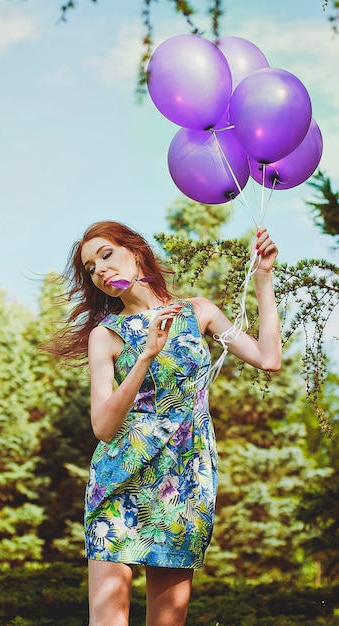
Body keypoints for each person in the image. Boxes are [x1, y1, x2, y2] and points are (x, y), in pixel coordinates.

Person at [51, 220, 281, 626]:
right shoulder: (106, 335)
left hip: (185, 478)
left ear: (135, 252)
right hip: (121, 477)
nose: (100, 270)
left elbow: (268, 359)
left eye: (106, 255)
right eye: (90, 268)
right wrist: (145, 357)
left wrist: (263, 279)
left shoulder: (199, 312)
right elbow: (103, 427)